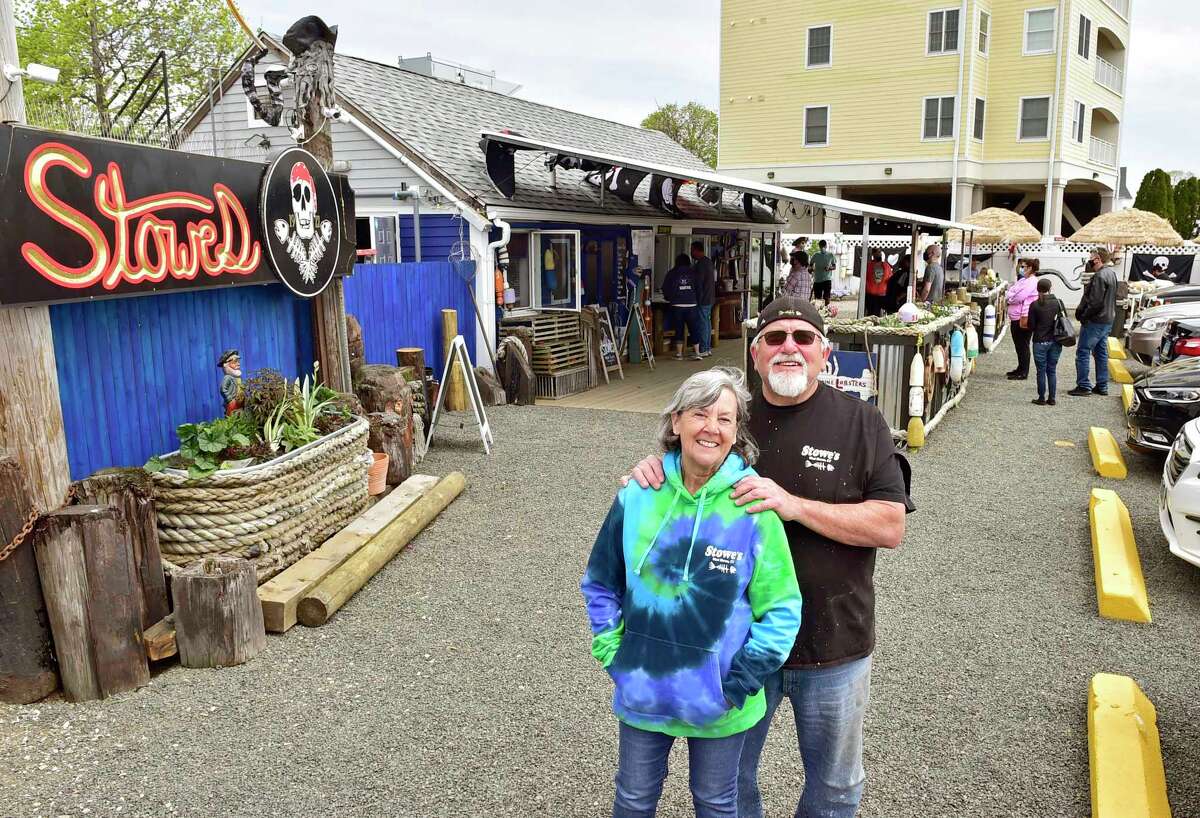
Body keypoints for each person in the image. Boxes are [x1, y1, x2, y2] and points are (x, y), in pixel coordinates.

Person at [629, 297, 912, 818]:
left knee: (835, 785)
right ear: (755, 353)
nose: (789, 347)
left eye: (803, 338)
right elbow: (685, 466)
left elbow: (890, 525)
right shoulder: (731, 417)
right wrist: (653, 467)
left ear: (824, 352)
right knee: (729, 780)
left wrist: (795, 505)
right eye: (775, 338)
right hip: (734, 642)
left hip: (835, 642)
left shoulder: (862, 421)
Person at [583, 367, 803, 818]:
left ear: (736, 432)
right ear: (677, 421)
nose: (712, 428)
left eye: (725, 419)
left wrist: (738, 682)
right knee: (633, 799)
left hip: (720, 704)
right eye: (700, 414)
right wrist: (614, 655)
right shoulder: (638, 495)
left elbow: (781, 609)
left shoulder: (752, 509)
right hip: (644, 692)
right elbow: (601, 581)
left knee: (718, 803)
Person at [1068, 247, 1118, 397]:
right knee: (1101, 352)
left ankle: (1084, 385)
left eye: (1091, 257)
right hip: (1108, 318)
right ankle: (1102, 386)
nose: (1089, 259)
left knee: (1083, 351)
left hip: (1096, 320)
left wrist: (1084, 315)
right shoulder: (1111, 274)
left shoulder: (1100, 276)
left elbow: (1095, 302)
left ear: (1097, 259)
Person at [1026, 278, 1065, 406]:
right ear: (1050, 288)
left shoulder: (1035, 305)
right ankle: (1052, 398)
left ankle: (1041, 397)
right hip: (1055, 341)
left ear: (1038, 289)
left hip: (1040, 341)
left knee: (1041, 371)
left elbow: (1031, 326)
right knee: (1052, 370)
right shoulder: (1058, 303)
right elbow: (1063, 321)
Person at [663, 253, 704, 361]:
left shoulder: (672, 273)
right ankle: (697, 352)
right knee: (694, 329)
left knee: (679, 329)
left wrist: (669, 299)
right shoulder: (694, 273)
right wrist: (697, 301)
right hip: (692, 305)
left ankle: (679, 354)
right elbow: (699, 289)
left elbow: (665, 288)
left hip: (677, 305)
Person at [1006, 259, 1041, 381]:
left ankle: (1023, 371)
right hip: (1015, 316)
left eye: (1023, 266)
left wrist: (1010, 298)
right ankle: (1020, 367)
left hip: (1023, 317)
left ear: (1030, 268)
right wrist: (1011, 296)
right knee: (1018, 344)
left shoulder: (1031, 282)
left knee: (1023, 345)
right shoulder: (1023, 280)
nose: (1021, 268)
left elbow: (1019, 296)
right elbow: (1011, 291)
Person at [692, 241, 716, 358]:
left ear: (696, 250)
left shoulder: (701, 264)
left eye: (692, 250)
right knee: (707, 322)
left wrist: (698, 299)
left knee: (702, 323)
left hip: (703, 299)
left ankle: (703, 348)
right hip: (710, 297)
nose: (692, 253)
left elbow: (699, 283)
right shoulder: (708, 262)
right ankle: (707, 347)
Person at [863, 249, 892, 317]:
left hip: (881, 295)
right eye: (878, 252)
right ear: (873, 254)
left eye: (880, 252)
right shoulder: (868, 266)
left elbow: (890, 279)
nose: (880, 254)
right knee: (870, 313)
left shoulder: (886, 266)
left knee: (877, 314)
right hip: (870, 294)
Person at [810, 240, 837, 306]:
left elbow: (834, 266)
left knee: (827, 297)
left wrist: (829, 268)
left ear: (826, 246)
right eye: (821, 247)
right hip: (817, 280)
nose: (822, 248)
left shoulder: (830, 255)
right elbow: (810, 265)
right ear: (819, 246)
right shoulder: (816, 255)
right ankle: (818, 312)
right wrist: (812, 269)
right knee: (817, 299)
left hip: (827, 280)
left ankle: (826, 311)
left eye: (823, 246)